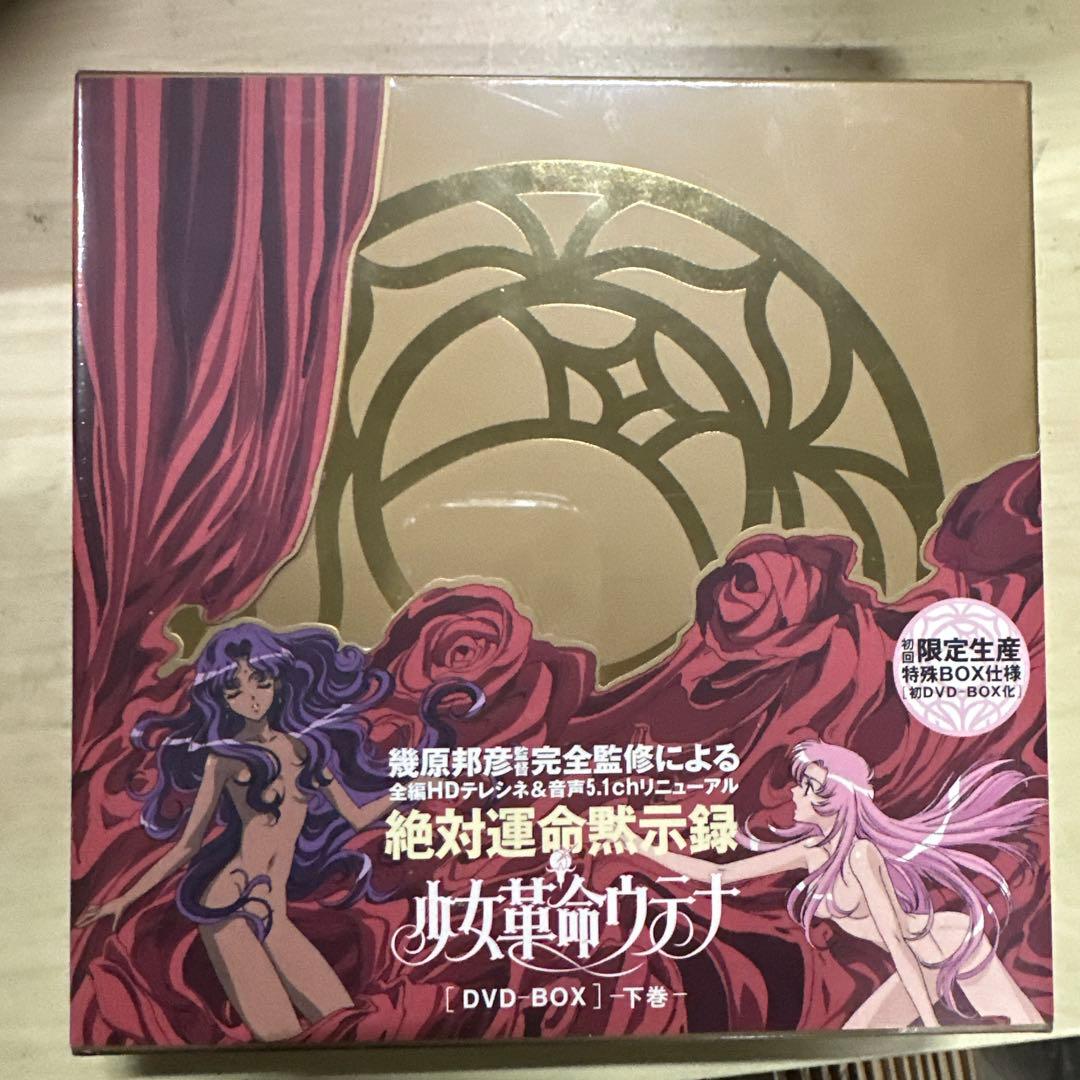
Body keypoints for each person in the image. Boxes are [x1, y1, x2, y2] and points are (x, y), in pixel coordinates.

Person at [75, 622, 472, 1041]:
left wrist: (412, 787)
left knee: (346, 1025)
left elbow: (357, 816)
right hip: (227, 905)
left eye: (260, 682)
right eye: (235, 690)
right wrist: (124, 899)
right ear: (221, 698)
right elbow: (187, 845)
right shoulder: (223, 759)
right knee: (280, 1036)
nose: (251, 697)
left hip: (274, 913)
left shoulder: (303, 751)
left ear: (278, 682)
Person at [640, 739, 1045, 1028]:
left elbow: (898, 944)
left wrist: (930, 1023)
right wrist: (640, 846)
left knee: (1022, 1024)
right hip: (922, 958)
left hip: (947, 944)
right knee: (857, 1033)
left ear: (832, 798)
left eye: (807, 786)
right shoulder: (811, 852)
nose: (794, 793)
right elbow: (721, 875)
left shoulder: (861, 856)